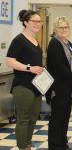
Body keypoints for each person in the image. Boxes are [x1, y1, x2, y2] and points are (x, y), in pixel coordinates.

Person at [6, 9, 44, 150]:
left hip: (36, 86)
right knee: (23, 119)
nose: (37, 24)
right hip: (23, 86)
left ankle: (27, 144)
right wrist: (30, 68)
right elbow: (9, 61)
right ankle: (23, 147)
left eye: (39, 21)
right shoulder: (19, 40)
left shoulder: (35, 40)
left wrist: (40, 69)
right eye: (34, 21)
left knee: (33, 118)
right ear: (26, 22)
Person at [47, 16, 72, 150]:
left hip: (68, 88)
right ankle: (55, 147)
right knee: (57, 120)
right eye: (60, 27)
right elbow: (59, 66)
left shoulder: (68, 43)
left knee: (64, 119)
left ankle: (62, 144)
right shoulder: (54, 43)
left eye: (66, 27)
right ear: (55, 29)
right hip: (59, 89)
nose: (63, 29)